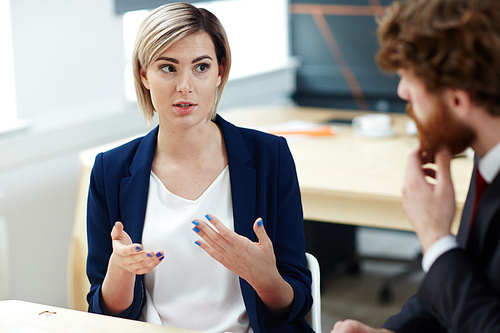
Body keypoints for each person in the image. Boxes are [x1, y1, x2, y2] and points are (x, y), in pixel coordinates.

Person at [85, 3, 312, 332]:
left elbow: (297, 303)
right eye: (168, 68)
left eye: (201, 67)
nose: (185, 86)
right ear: (143, 74)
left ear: (220, 71)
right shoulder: (111, 169)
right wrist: (120, 270)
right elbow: (103, 314)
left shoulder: (269, 156)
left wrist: (264, 277)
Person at [331, 0, 500, 332]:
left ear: (457, 100)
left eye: (409, 79)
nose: (402, 91)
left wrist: (434, 236)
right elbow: (463, 282)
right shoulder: (486, 156)